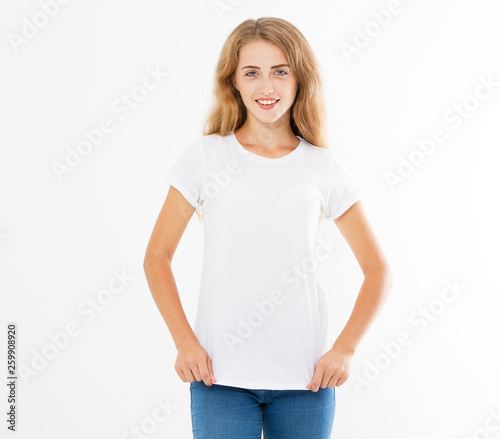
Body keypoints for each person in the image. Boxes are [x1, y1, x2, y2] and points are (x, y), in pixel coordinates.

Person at [143, 16, 393, 439]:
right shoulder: (205, 157)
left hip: (306, 381)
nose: (267, 86)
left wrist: (345, 351)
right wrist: (185, 342)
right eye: (252, 73)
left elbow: (379, 271)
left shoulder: (323, 166)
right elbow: (157, 257)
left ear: (300, 79)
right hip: (218, 379)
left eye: (281, 71)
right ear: (233, 82)